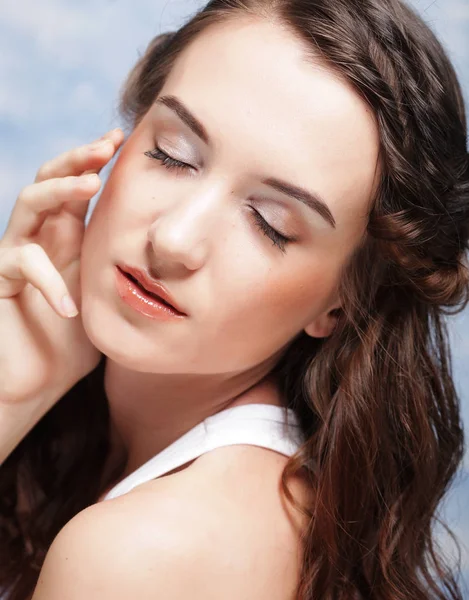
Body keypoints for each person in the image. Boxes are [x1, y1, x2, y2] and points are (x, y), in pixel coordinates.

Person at [0, 0, 468, 597]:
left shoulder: (144, 553)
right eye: (172, 153)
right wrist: (16, 388)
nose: (173, 240)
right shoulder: (258, 486)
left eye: (270, 222)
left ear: (342, 301)